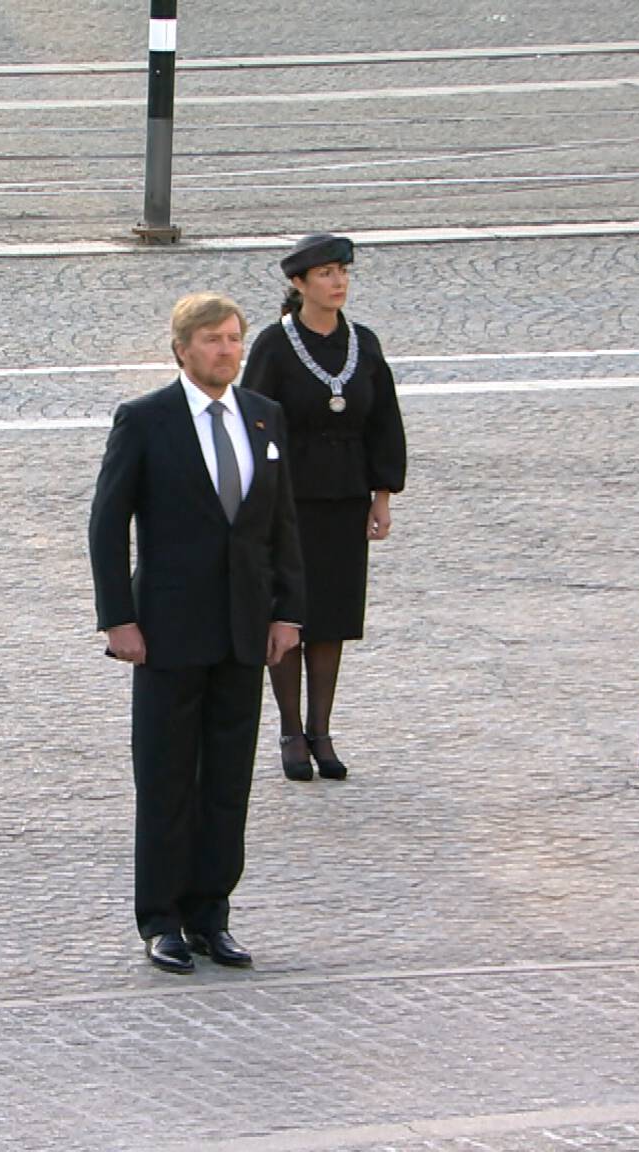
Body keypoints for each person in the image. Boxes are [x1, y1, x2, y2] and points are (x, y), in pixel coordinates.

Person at [89, 293, 305, 974]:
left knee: (227, 781)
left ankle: (212, 912)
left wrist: (287, 611)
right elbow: (106, 523)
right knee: (166, 776)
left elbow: (282, 526)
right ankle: (161, 918)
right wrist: (118, 617)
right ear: (181, 348)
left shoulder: (265, 419)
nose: (227, 351)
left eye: (235, 338)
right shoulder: (146, 420)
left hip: (244, 632)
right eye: (212, 340)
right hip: (167, 632)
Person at [240, 234, 406, 781]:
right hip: (288, 499)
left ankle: (322, 729)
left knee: (332, 615)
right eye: (326, 274)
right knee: (289, 610)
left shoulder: (364, 342)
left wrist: (382, 495)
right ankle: (290, 730)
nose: (338, 283)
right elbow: (252, 422)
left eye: (342, 273)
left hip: (344, 497)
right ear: (299, 284)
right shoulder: (274, 344)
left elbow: (384, 421)